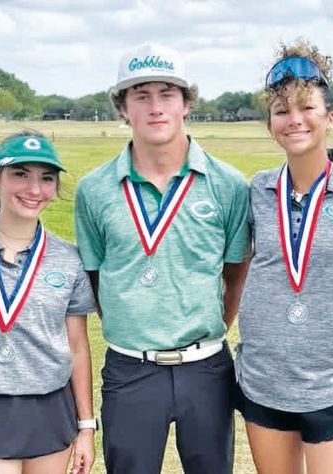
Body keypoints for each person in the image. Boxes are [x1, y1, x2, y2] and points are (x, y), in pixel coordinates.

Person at [73, 42, 250, 474]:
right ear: (123, 108)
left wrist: (208, 329)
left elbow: (235, 273)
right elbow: (97, 277)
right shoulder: (94, 190)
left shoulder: (228, 184)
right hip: (130, 367)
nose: (155, 107)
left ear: (186, 103)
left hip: (206, 368)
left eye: (167, 94)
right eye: (141, 95)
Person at [235, 41, 333, 474]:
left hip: (332, 383)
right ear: (270, 124)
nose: (294, 119)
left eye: (307, 107)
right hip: (264, 377)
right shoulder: (258, 190)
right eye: (281, 110)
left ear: (330, 118)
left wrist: (331, 293)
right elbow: (246, 270)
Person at [0, 133, 96, 474]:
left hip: (50, 409)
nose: (34, 189)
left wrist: (87, 427)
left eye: (46, 178)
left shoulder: (68, 258)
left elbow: (77, 345)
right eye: (20, 174)